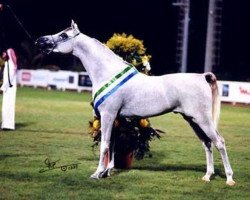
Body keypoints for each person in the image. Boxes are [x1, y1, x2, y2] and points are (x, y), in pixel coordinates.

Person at [0, 48, 17, 130]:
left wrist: (2, 88)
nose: (2, 57)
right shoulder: (8, 63)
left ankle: (7, 125)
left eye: (3, 54)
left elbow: (10, 78)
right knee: (6, 106)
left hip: (9, 88)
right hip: (8, 88)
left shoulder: (11, 65)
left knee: (8, 105)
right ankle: (5, 124)